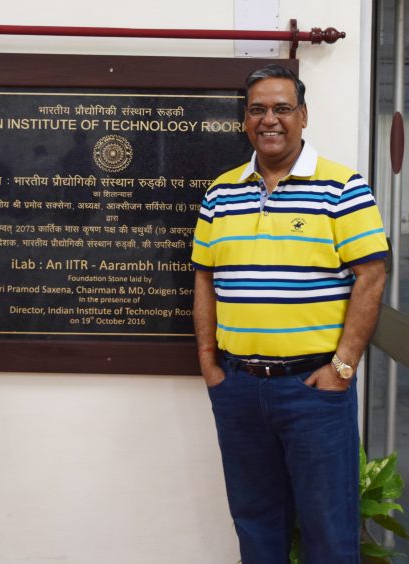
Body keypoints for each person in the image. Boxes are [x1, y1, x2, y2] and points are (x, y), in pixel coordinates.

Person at [192, 64, 388, 564]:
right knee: (255, 522)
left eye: (282, 108)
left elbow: (371, 275)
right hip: (238, 389)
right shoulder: (220, 192)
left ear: (303, 115)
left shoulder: (343, 186)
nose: (269, 120)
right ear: (244, 120)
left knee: (329, 528)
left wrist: (342, 367)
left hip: (313, 392)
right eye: (257, 110)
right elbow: (205, 278)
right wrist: (210, 364)